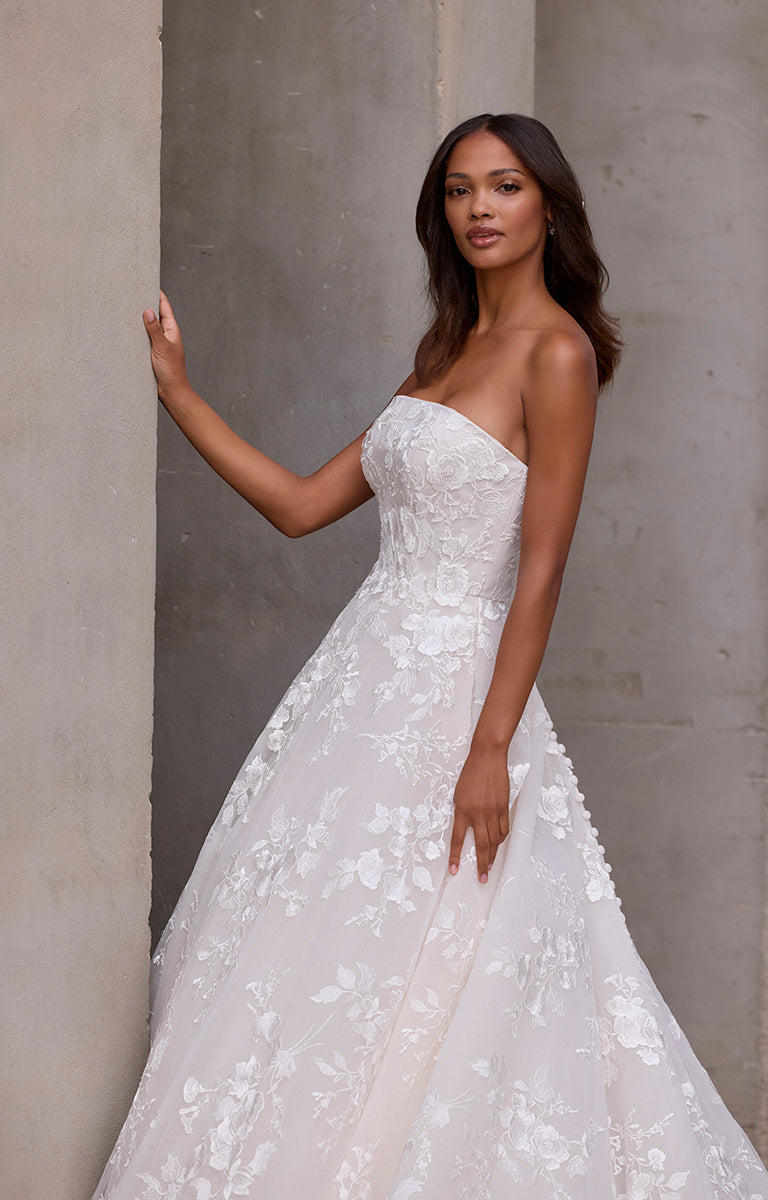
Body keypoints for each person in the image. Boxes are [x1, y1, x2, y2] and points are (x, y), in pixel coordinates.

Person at [92, 113, 768, 1199]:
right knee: (316, 961)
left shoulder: (559, 353)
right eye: (459, 190)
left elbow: (542, 570)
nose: (480, 209)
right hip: (357, 685)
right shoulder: (446, 354)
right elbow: (305, 506)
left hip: (462, 697)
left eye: (505, 186)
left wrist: (491, 742)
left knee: (453, 960)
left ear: (550, 206)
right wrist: (179, 391)